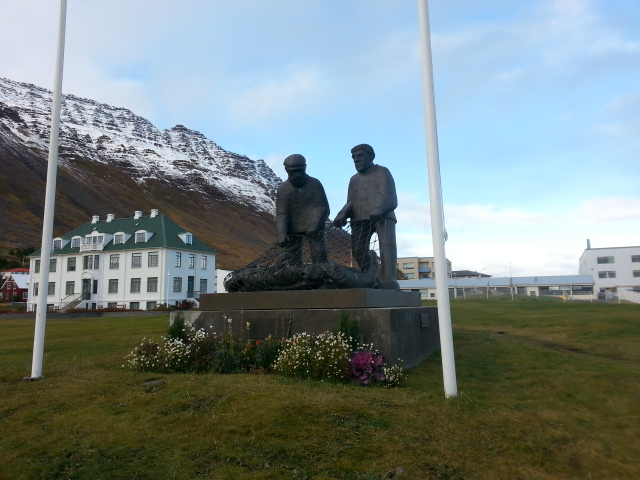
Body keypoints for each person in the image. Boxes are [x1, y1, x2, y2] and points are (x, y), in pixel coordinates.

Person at [333, 144, 399, 290]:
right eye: (354, 158)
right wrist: (342, 214)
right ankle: (371, 278)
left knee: (387, 246)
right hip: (359, 219)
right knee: (358, 250)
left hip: (383, 217)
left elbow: (389, 196)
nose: (356, 160)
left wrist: (380, 208)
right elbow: (350, 202)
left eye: (360, 156)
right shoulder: (354, 180)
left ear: (371, 156)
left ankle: (389, 280)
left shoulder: (382, 172)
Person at [276, 154, 330, 264]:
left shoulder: (315, 183)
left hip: (314, 228)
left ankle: (320, 272)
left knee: (319, 254)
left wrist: (315, 224)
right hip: (293, 230)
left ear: (305, 167)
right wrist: (282, 232)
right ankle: (296, 273)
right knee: (293, 259)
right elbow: (282, 213)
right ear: (286, 170)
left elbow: (322, 206)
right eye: (293, 172)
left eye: (300, 170)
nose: (297, 175)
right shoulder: (283, 189)